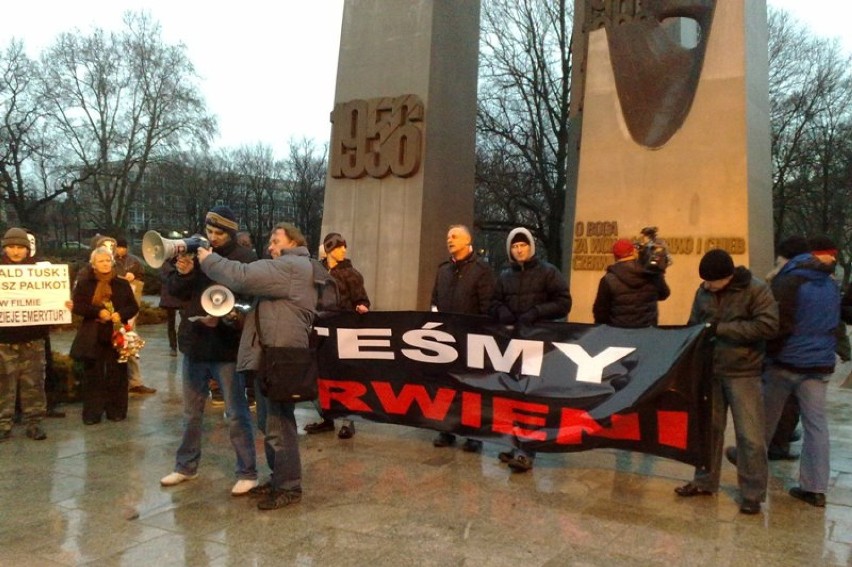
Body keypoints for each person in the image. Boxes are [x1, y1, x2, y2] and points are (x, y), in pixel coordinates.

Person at [197, 221, 315, 510]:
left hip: (280, 357)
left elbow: (241, 276)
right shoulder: (287, 271)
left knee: (278, 423)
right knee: (267, 420)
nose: (269, 247)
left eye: (275, 241)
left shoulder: (291, 266)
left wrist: (207, 258)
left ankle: (288, 486)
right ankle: (279, 478)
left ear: (292, 243)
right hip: (271, 356)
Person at [159, 206, 259, 497]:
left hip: (226, 347)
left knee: (236, 412)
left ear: (230, 233)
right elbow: (176, 292)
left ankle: (247, 471)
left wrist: (227, 316)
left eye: (218, 233)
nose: (212, 237)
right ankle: (186, 466)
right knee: (191, 412)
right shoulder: (196, 252)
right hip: (195, 342)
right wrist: (185, 272)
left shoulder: (243, 259)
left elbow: (247, 301)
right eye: (209, 231)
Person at [674, 249, 778, 515]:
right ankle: (704, 481)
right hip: (711, 371)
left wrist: (721, 329)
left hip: (744, 372)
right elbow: (695, 324)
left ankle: (752, 493)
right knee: (708, 431)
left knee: (750, 437)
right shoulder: (703, 292)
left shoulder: (757, 289)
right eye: (705, 282)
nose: (707, 286)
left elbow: (768, 326)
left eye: (712, 282)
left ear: (728, 277)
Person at [760, 236, 840, 507]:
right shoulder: (829, 283)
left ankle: (752, 473)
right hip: (819, 365)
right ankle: (815, 487)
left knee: (764, 421)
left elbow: (778, 324)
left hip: (786, 362)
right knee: (816, 426)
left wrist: (768, 353)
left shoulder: (789, 281)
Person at [490, 227, 571, 472]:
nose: (519, 250)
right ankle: (516, 443)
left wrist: (537, 313)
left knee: (531, 396)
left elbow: (564, 302)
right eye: (514, 246)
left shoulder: (548, 272)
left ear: (531, 247)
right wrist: (501, 311)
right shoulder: (504, 277)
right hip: (513, 344)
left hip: (539, 344)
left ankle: (527, 451)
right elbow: (493, 302)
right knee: (514, 395)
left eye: (523, 245)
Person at [428, 224, 495, 452]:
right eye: (448, 236)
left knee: (471, 388)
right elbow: (434, 300)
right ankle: (447, 429)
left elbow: (488, 307)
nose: (450, 240)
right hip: (446, 338)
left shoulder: (482, 270)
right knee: (447, 385)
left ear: (467, 241)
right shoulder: (443, 270)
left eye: (454, 236)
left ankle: (473, 433)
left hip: (472, 339)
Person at [304, 232, 371, 440]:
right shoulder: (316, 271)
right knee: (320, 376)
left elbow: (362, 299)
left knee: (343, 377)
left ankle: (347, 421)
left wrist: (362, 307)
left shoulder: (352, 274)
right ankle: (326, 416)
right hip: (319, 332)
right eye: (339, 247)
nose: (344, 250)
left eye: (344, 247)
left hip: (342, 333)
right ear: (329, 249)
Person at [69, 246, 139, 425]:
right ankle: (92, 413)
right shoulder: (85, 283)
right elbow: (78, 306)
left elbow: (133, 306)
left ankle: (116, 410)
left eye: (108, 260)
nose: (105, 264)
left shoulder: (121, 284)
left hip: (117, 335)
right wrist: (97, 312)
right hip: (93, 335)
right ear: (93, 264)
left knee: (118, 373)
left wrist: (121, 314)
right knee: (93, 374)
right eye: (101, 261)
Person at [0, 228, 52, 441]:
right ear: (4, 248)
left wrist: (63, 304)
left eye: (20, 247)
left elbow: (52, 299)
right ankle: (3, 423)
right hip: (3, 340)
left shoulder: (41, 272)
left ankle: (35, 422)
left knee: (34, 383)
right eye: (11, 247)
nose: (15, 251)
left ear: (27, 249)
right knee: (3, 383)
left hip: (33, 338)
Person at [592, 238, 670, 327]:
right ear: (634, 252)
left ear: (615, 256)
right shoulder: (651, 274)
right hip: (647, 332)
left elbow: (601, 311)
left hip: (618, 333)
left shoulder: (608, 280)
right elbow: (664, 294)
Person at [115, 237, 156, 395]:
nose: (120, 250)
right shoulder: (110, 262)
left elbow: (143, 276)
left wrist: (135, 277)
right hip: (112, 312)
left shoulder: (134, 261)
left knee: (130, 340)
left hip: (127, 310)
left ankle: (135, 381)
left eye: (122, 247)